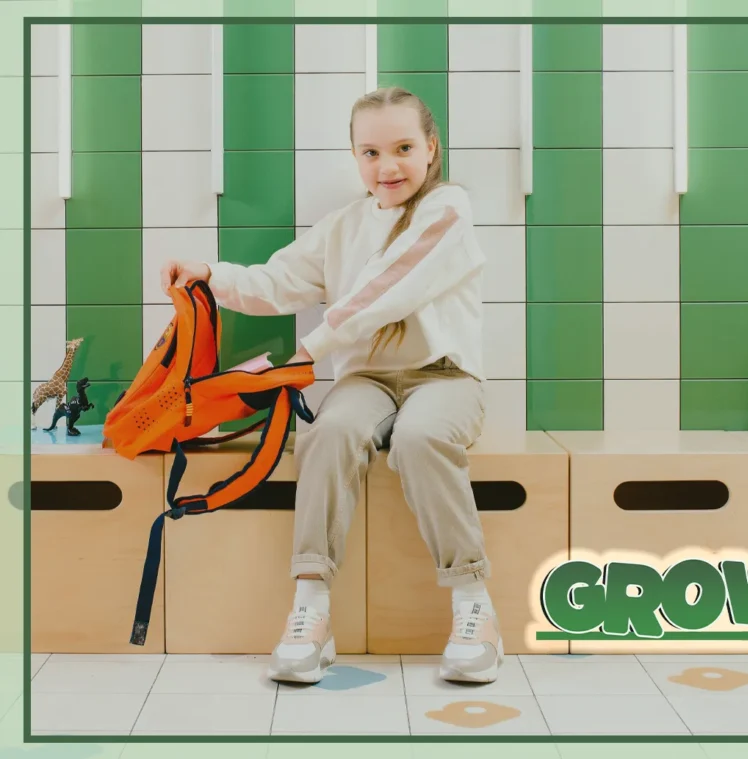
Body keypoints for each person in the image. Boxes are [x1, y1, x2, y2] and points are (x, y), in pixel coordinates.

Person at [159, 86, 501, 685]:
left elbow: (386, 287)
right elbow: (281, 279)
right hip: (367, 378)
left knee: (421, 440)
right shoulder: (343, 225)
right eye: (369, 152)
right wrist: (213, 275)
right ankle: (311, 612)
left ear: (431, 148)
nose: (387, 166)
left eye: (402, 148)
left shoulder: (448, 210)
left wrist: (312, 347)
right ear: (354, 156)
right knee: (327, 434)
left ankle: (474, 606)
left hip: (445, 377)